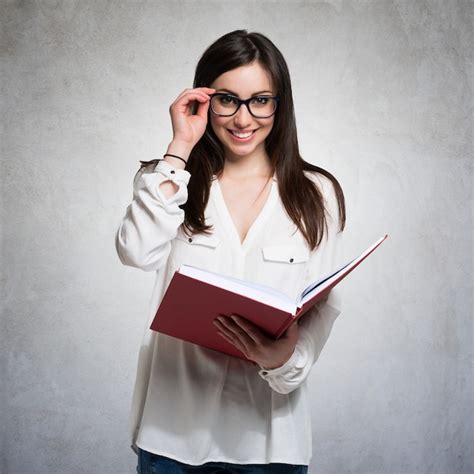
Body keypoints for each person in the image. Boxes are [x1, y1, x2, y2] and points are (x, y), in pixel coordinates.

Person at [115, 29, 346, 474]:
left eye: (260, 100)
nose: (244, 119)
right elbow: (136, 253)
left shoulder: (317, 194)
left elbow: (321, 309)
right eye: (227, 99)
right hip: (172, 438)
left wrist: (285, 361)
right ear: (204, 99)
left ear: (280, 105)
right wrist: (180, 146)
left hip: (270, 442)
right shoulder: (168, 178)